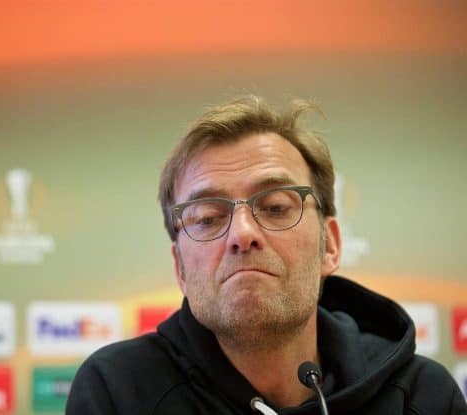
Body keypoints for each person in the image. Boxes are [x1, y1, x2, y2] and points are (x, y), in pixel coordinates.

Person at [65, 95, 466, 414]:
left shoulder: (422, 397)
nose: (242, 234)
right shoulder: (117, 393)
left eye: (275, 207)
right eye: (207, 217)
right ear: (180, 268)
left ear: (330, 245)